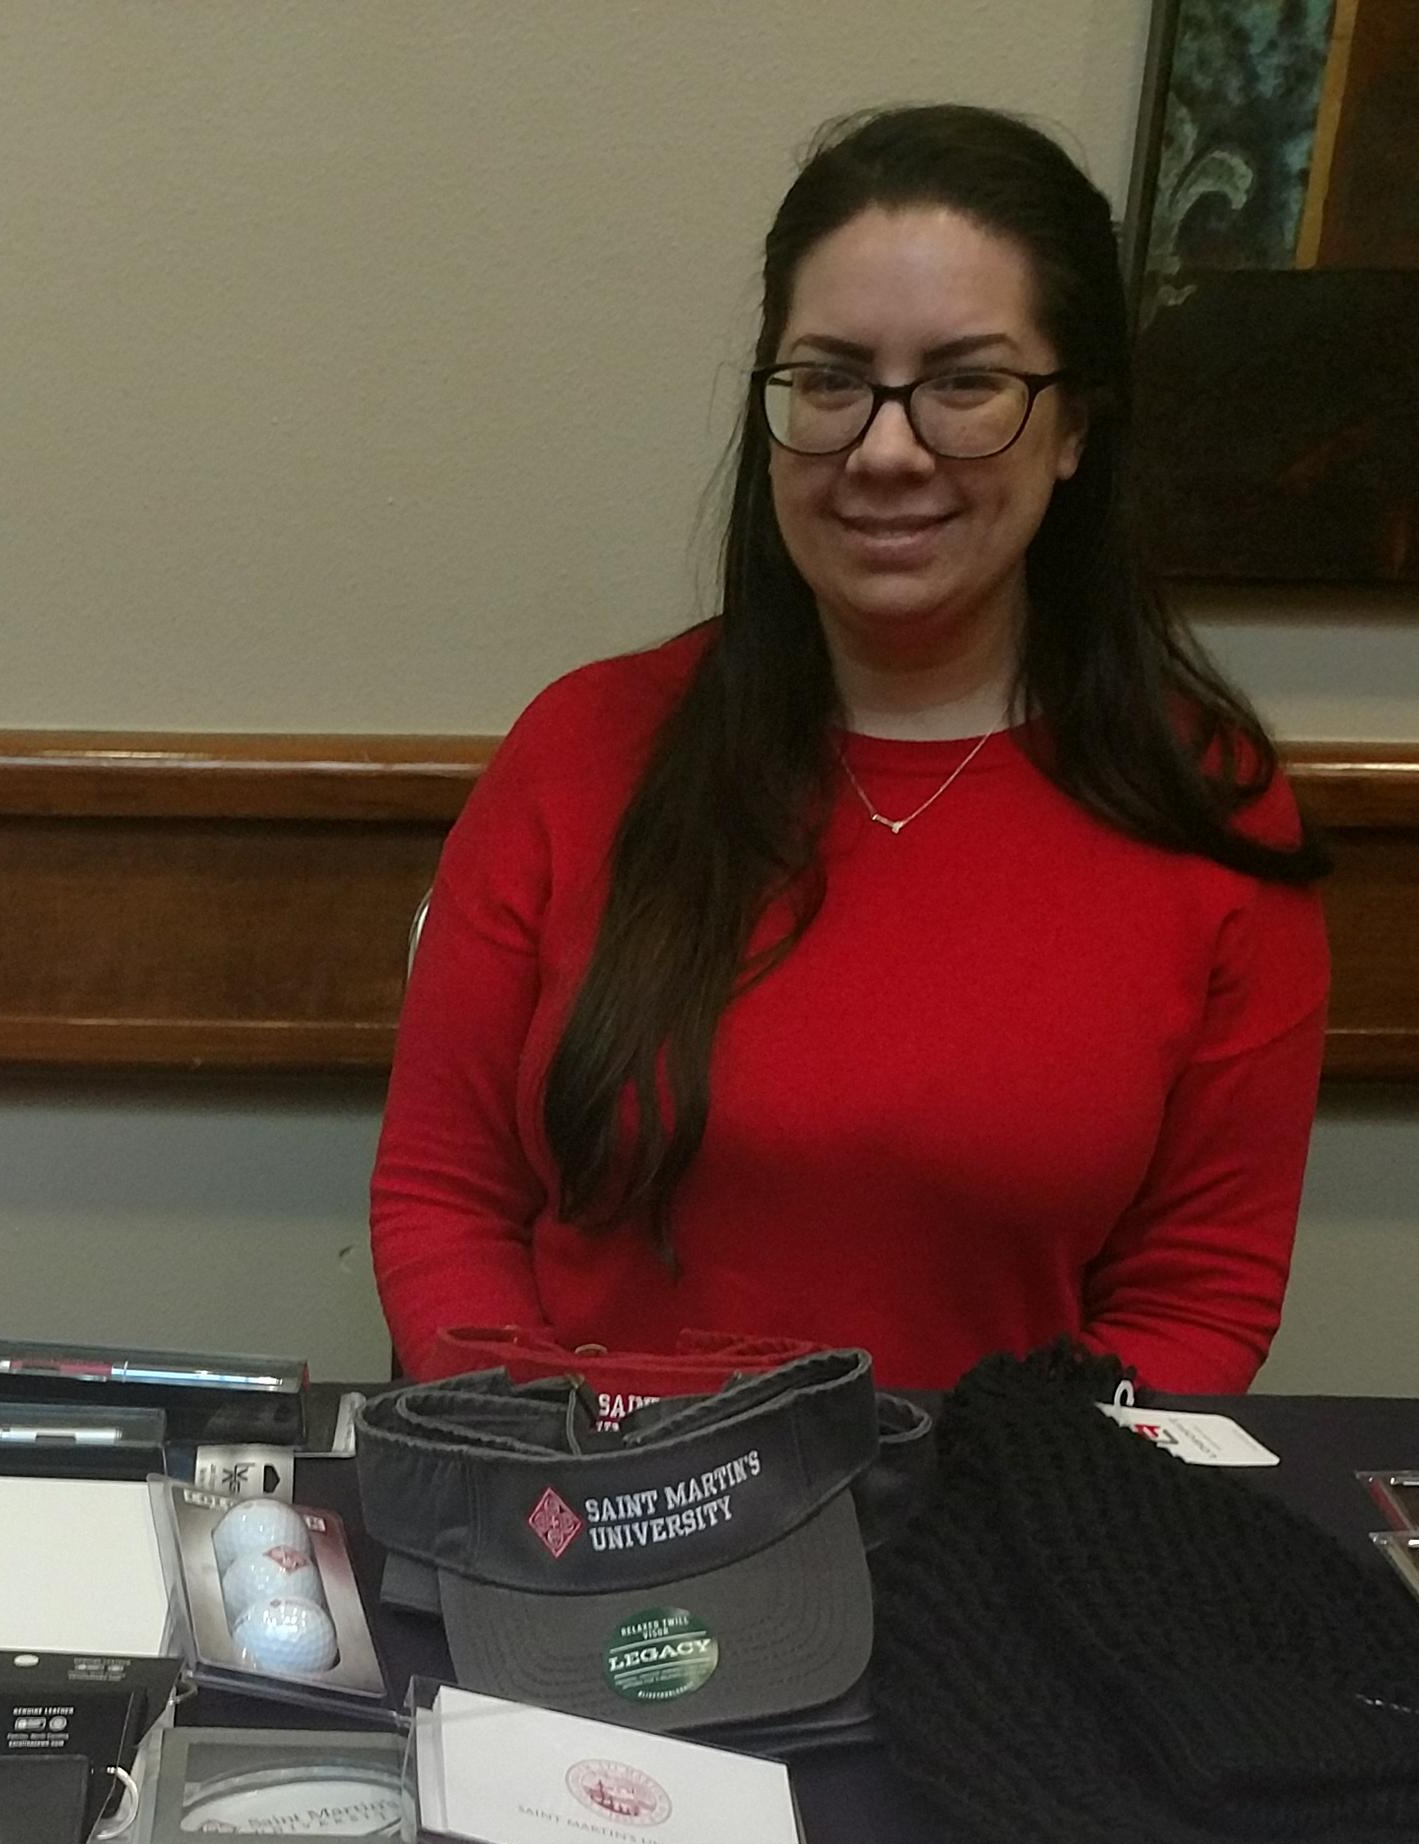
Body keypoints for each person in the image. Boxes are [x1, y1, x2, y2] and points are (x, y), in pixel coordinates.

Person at [367, 104, 1329, 1394]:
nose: (885, 449)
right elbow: (444, 1197)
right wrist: (555, 1468)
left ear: (1076, 429)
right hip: (584, 1493)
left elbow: (1196, 1298)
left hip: (1005, 1506)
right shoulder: (583, 745)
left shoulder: (1209, 804)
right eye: (830, 380)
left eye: (965, 384)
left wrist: (997, 1498)